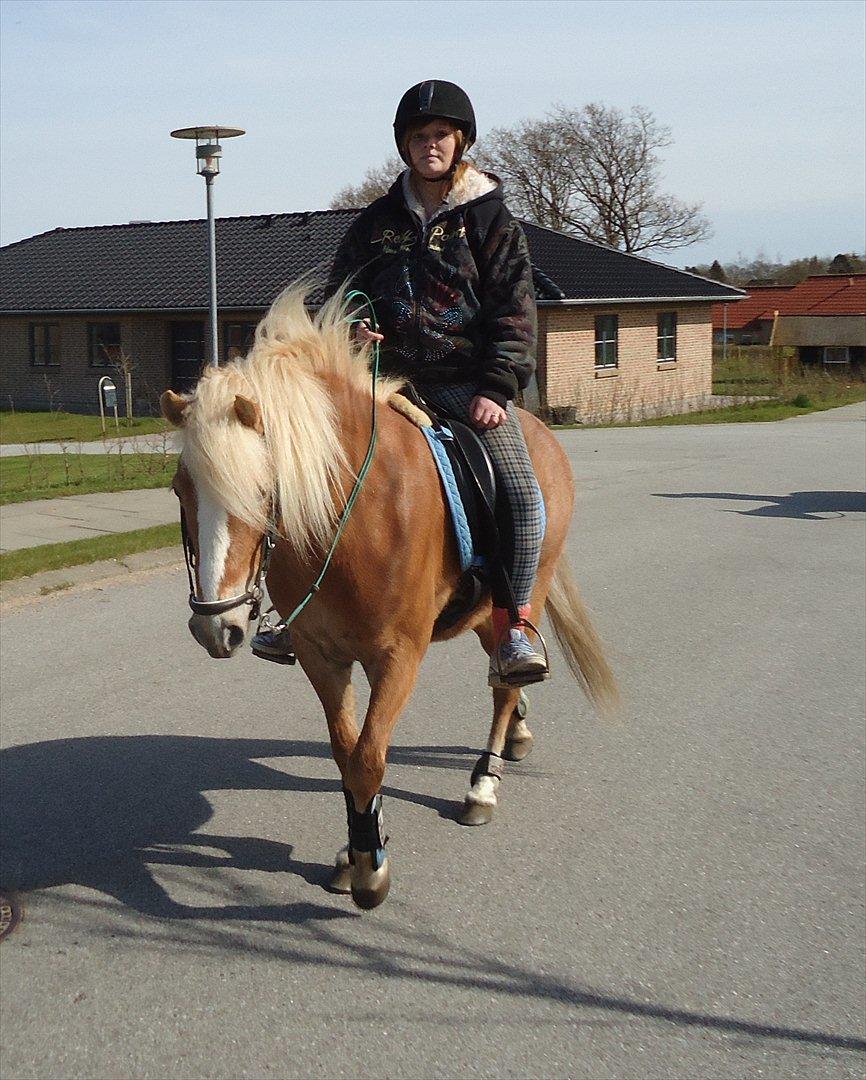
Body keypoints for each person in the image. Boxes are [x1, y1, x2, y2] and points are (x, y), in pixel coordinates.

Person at [253, 79, 547, 687]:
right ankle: (299, 612)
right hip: (378, 380)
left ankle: (514, 626)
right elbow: (341, 293)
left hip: (464, 384)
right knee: (295, 479)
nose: (430, 145)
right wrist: (355, 327)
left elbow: (515, 313)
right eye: (419, 136)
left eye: (440, 135)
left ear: (459, 140)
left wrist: (497, 386)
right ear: (404, 145)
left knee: (520, 492)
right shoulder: (375, 223)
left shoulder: (492, 221)